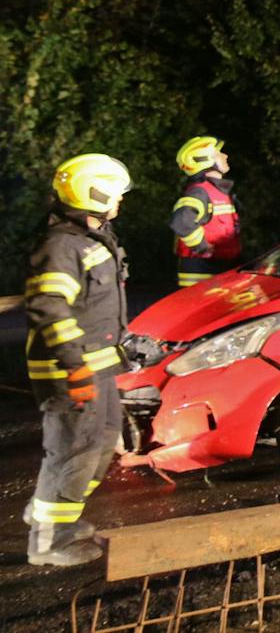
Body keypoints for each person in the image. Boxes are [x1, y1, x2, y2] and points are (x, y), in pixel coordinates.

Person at [23, 154, 132, 566]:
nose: (119, 201)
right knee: (73, 450)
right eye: (116, 193)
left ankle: (51, 516)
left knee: (100, 444)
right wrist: (75, 366)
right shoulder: (62, 246)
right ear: (96, 193)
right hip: (71, 370)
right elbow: (49, 307)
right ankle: (49, 541)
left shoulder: (91, 238)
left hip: (95, 364)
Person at [169, 135, 242, 287]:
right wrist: (202, 247)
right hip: (201, 273)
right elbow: (181, 221)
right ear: (205, 161)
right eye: (218, 153)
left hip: (217, 270)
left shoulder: (218, 191)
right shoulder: (199, 192)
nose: (225, 156)